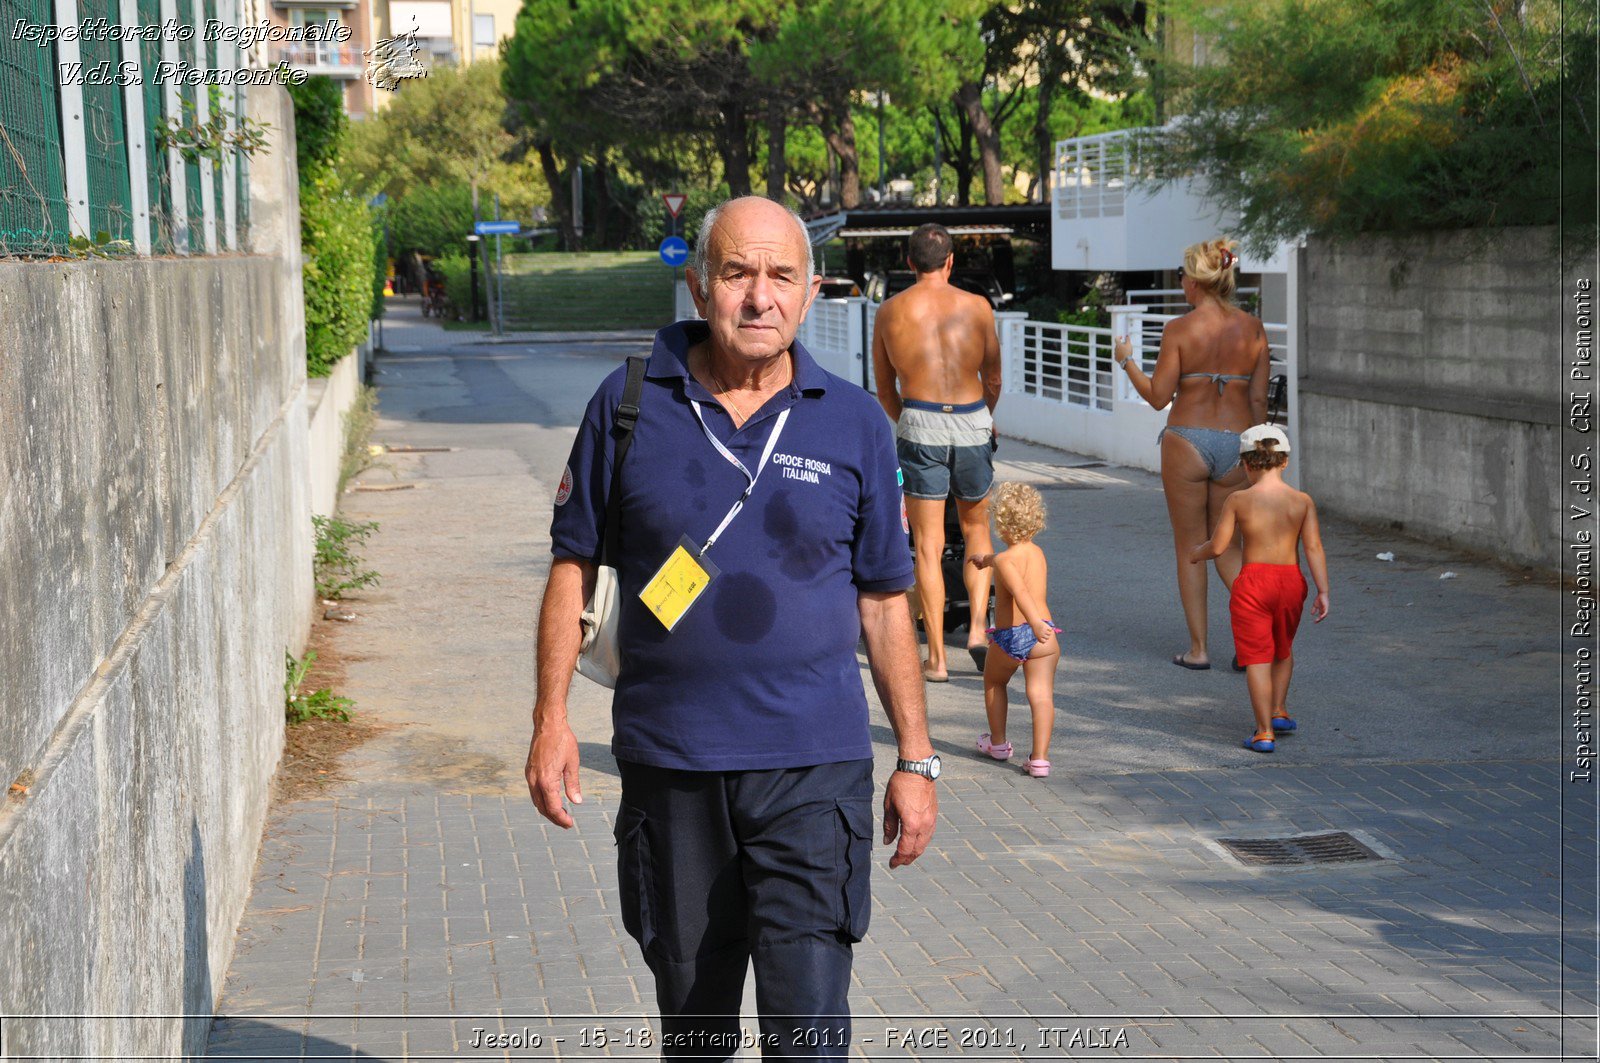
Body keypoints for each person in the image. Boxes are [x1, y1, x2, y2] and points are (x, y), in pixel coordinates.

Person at [525, 195, 938, 1060]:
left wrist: (915, 758)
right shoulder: (628, 403)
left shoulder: (855, 420)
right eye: (739, 273)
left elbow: (885, 597)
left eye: (782, 275)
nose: (761, 297)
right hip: (672, 769)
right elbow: (572, 564)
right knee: (698, 1032)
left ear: (812, 290)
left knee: (808, 1037)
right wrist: (550, 719)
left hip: (812, 771)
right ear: (698, 282)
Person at [1114, 238, 1271, 671]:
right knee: (1228, 547)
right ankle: (1252, 644)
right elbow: (1259, 404)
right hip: (1238, 443)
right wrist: (1262, 458)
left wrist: (1126, 360)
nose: (1181, 283)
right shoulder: (1254, 328)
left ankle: (1199, 650)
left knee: (1191, 546)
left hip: (1188, 441)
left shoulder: (1178, 330)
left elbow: (1158, 396)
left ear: (1196, 283)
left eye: (1183, 276)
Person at [871, 222, 1003, 682]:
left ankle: (937, 660)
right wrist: (982, 417)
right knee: (976, 530)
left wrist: (908, 421)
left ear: (909, 263)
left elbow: (884, 388)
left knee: (927, 546)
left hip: (919, 418)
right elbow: (995, 380)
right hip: (971, 418)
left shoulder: (890, 311)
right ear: (950, 261)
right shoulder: (978, 307)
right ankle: (978, 633)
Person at [1190, 425, 1330, 753]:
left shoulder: (1239, 499)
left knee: (1257, 659)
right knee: (1283, 649)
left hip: (1253, 583)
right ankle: (1279, 709)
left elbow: (1219, 546)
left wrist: (1196, 554)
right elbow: (1314, 548)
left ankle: (1264, 731)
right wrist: (1323, 590)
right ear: (1284, 462)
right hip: (1290, 582)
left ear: (1246, 464)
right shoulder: (1301, 501)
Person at [968, 482, 1061, 778]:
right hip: (1045, 635)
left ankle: (997, 744)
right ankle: (1040, 759)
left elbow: (1019, 590)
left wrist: (1031, 620)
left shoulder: (1006, 560)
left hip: (1014, 635)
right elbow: (1007, 565)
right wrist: (986, 560)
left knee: (994, 682)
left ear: (1000, 523)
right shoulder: (1038, 553)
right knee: (1041, 695)